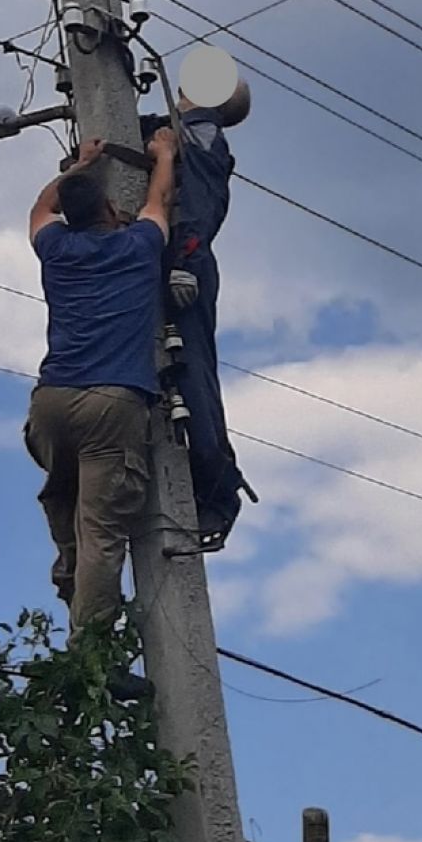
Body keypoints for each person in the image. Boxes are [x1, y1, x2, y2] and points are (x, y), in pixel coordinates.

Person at [24, 128, 177, 639]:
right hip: (111, 404)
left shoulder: (55, 248)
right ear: (113, 210)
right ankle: (91, 653)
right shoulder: (138, 246)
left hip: (51, 403)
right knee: (102, 533)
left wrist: (80, 166)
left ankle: (71, 585)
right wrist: (164, 154)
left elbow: (39, 210)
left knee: (64, 502)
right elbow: (159, 199)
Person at [141, 78, 254, 550]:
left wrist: (185, 261)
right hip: (171, 258)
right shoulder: (179, 129)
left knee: (190, 372)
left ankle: (216, 484)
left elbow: (200, 200)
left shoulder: (202, 132)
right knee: (182, 368)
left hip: (183, 259)